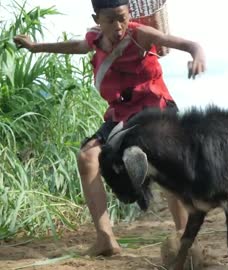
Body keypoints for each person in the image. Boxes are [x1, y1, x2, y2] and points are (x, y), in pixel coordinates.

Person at [13, 0, 205, 257]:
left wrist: (197, 57)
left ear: (129, 15)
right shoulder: (94, 40)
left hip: (155, 109)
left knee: (166, 161)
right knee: (87, 157)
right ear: (97, 20)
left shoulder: (141, 34)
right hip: (122, 115)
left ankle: (183, 238)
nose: (118, 26)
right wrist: (36, 47)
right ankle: (105, 239)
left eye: (122, 18)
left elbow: (190, 45)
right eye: (110, 20)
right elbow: (75, 46)